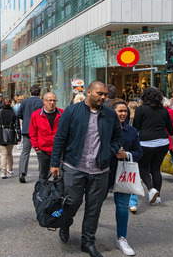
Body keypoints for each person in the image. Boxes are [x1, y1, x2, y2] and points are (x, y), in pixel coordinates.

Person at [49, 80, 123, 257]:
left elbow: (118, 138)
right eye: (100, 94)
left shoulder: (110, 115)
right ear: (88, 92)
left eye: (105, 95)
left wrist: (108, 152)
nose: (103, 97)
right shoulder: (71, 111)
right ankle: (65, 224)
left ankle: (88, 242)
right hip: (74, 166)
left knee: (94, 207)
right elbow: (60, 138)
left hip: (100, 170)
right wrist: (54, 164)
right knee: (72, 202)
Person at [132, 87, 173, 205]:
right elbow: (170, 129)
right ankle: (157, 197)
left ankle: (151, 189)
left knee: (141, 167)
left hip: (145, 143)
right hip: (163, 142)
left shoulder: (141, 109)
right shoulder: (163, 110)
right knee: (156, 169)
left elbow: (135, 128)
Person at [107, 99, 142, 256]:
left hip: (124, 173)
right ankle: (89, 235)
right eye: (119, 111)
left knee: (122, 206)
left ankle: (122, 238)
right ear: (112, 112)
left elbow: (139, 152)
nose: (123, 114)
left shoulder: (132, 131)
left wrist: (126, 154)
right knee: (94, 205)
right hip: (105, 172)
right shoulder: (103, 128)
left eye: (125, 111)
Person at [29, 92, 63, 180]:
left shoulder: (62, 113)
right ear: (44, 101)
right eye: (49, 100)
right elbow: (32, 133)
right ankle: (42, 192)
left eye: (54, 100)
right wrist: (37, 148)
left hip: (59, 150)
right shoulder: (36, 115)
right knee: (43, 175)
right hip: (43, 151)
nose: (52, 103)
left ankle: (57, 193)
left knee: (59, 175)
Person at [16, 85, 44, 183]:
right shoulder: (41, 102)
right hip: (38, 130)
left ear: (30, 93)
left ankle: (22, 172)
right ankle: (42, 173)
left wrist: (26, 120)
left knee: (25, 152)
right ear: (39, 93)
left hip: (27, 130)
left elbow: (18, 114)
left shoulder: (24, 102)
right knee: (40, 152)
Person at [0, 98, 21, 179]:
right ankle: (10, 168)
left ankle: (4, 171)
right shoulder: (13, 112)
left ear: (3, 102)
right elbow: (17, 125)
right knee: (9, 153)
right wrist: (19, 137)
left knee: (3, 153)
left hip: (0, 133)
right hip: (11, 133)